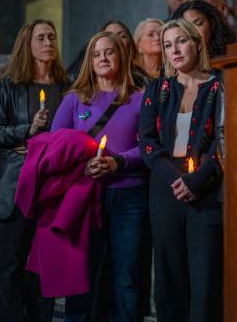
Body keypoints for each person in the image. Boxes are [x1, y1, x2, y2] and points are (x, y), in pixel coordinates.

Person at [50, 30, 147, 322]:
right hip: (84, 194)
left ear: (122, 56)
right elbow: (56, 146)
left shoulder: (141, 99)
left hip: (129, 194)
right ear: (89, 62)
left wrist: (119, 163)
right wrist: (84, 167)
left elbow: (150, 146)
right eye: (96, 53)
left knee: (126, 276)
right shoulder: (74, 99)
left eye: (109, 52)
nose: (103, 58)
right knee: (82, 273)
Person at [0, 19, 69, 322]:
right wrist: (26, 131)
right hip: (15, 187)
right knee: (10, 267)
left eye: (51, 37)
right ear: (27, 45)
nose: (48, 43)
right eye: (41, 38)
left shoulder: (67, 86)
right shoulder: (11, 85)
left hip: (52, 189)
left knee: (43, 268)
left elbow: (77, 129)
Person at [139, 18, 223, 322]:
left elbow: (225, 141)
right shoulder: (157, 88)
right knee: (169, 277)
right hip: (165, 186)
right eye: (167, 44)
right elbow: (147, 142)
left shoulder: (220, 84)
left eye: (181, 41)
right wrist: (177, 180)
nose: (174, 49)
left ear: (197, 44)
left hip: (207, 186)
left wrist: (197, 179)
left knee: (205, 276)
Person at [171, 0, 236, 57]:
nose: (192, 31)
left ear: (212, 24)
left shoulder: (232, 52)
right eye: (186, 27)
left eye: (198, 24)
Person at [101, 20, 148, 88]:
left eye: (122, 36)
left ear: (130, 45)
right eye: (109, 36)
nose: (117, 39)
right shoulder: (90, 81)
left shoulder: (144, 81)